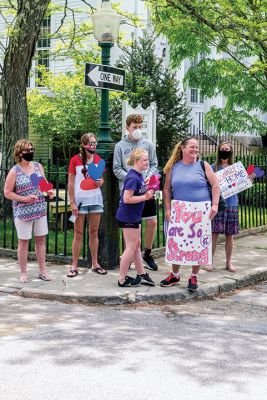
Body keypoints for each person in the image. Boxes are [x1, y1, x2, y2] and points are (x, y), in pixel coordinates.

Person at [160, 137, 220, 291]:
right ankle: (175, 274)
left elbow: (215, 185)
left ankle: (194, 276)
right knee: (178, 242)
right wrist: (167, 208)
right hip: (180, 210)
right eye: (192, 147)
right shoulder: (174, 167)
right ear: (183, 148)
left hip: (201, 212)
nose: (195, 150)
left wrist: (215, 204)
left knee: (198, 243)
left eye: (196, 147)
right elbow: (166, 189)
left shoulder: (203, 165)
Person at [4, 140, 54, 283]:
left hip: (39, 209)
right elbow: (7, 193)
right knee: (24, 242)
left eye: (32, 149)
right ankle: (23, 273)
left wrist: (48, 191)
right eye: (27, 150)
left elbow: (43, 184)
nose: (30, 152)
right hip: (23, 212)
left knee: (41, 240)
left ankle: (43, 270)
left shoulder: (38, 167)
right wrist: (24, 198)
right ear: (19, 153)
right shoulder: (15, 171)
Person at [113, 114, 159, 271]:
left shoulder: (148, 144)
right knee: (131, 227)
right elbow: (117, 168)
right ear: (127, 128)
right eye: (135, 127)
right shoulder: (120, 146)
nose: (138, 130)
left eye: (140, 127)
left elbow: (154, 164)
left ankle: (147, 252)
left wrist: (148, 177)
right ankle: (130, 257)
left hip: (146, 189)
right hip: (131, 192)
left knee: (152, 221)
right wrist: (132, 179)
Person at [67, 133, 107, 277]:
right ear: (84, 145)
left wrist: (100, 182)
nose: (93, 146)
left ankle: (95, 263)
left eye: (95, 143)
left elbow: (100, 179)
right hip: (80, 201)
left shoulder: (98, 159)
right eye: (90, 143)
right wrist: (72, 203)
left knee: (94, 232)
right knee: (78, 233)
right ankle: (74, 265)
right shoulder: (75, 160)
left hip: (95, 199)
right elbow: (71, 182)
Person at [116, 149, 155, 287]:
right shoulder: (133, 177)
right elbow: (127, 199)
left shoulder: (138, 175)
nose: (147, 162)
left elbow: (138, 193)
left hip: (134, 216)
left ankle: (141, 273)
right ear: (136, 161)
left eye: (147, 160)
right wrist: (145, 197)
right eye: (145, 160)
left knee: (136, 245)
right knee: (131, 247)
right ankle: (122, 278)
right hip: (128, 217)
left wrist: (147, 192)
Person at [205, 141, 239, 272]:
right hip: (218, 204)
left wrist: (247, 180)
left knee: (230, 236)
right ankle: (210, 262)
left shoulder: (235, 168)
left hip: (232, 204)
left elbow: (239, 186)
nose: (225, 151)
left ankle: (229, 263)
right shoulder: (213, 168)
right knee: (214, 233)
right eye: (222, 149)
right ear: (219, 151)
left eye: (227, 149)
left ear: (231, 151)